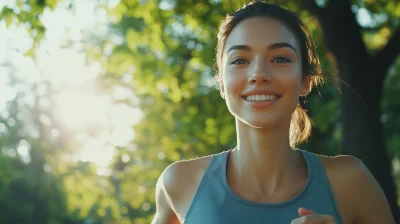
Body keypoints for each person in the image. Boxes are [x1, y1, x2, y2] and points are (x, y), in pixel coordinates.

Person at [151, 1, 395, 223]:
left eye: (280, 59)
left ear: (305, 81)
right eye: (239, 60)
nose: (258, 74)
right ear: (222, 83)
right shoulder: (178, 184)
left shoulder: (352, 182)